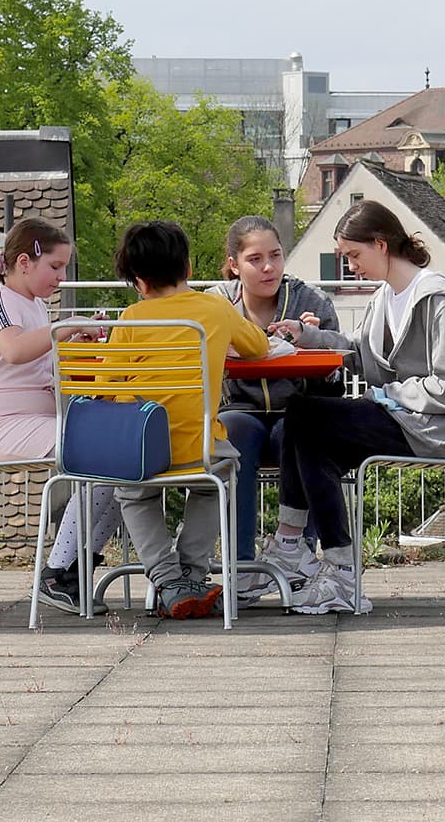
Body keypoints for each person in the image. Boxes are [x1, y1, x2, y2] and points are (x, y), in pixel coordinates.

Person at [253, 200, 445, 616]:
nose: (350, 267)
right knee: (310, 433)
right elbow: (360, 355)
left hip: (437, 431)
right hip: (405, 420)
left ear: (381, 244)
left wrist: (390, 395)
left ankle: (297, 547)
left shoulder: (435, 299)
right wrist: (307, 335)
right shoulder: (386, 296)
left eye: (353, 256)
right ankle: (334, 569)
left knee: (305, 415)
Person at [106, 221, 271, 619]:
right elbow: (258, 347)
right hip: (200, 449)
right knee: (219, 477)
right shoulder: (214, 308)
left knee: (133, 492)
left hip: (144, 449)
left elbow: (111, 387)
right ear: (190, 268)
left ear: (139, 280)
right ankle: (193, 575)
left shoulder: (130, 318)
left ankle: (167, 580)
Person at [0, 217, 122, 616]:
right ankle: (56, 572)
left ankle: (72, 566)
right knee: (107, 453)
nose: (62, 277)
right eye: (55, 267)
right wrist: (65, 327)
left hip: (32, 422)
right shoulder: (1, 302)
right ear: (23, 263)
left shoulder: (34, 306)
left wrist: (76, 342)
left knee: (126, 459)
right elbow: (15, 350)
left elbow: (43, 363)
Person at [211, 215, 341, 602]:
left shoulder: (311, 300)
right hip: (240, 409)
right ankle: (242, 568)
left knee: (301, 431)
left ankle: (298, 557)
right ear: (234, 264)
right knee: (234, 433)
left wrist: (314, 338)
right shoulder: (218, 303)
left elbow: (337, 371)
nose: (268, 267)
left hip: (295, 410)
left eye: (276, 256)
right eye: (255, 259)